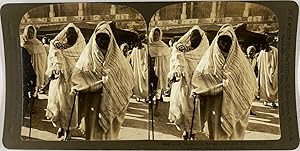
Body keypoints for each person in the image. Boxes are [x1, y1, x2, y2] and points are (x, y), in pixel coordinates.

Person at [191, 24, 257, 140]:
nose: (225, 44)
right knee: (215, 136)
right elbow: (198, 79)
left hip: (235, 107)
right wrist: (200, 90)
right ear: (217, 41)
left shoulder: (241, 63)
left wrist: (230, 86)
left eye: (228, 41)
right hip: (214, 107)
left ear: (233, 42)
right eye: (222, 41)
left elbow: (250, 85)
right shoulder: (209, 60)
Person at [71, 21, 134, 140]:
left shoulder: (119, 61)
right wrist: (84, 87)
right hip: (93, 102)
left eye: (105, 38)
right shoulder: (87, 59)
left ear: (111, 40)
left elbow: (128, 80)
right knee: (93, 134)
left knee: (108, 136)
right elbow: (77, 77)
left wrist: (109, 84)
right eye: (99, 38)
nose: (102, 42)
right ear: (94, 39)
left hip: (112, 103)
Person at [44, 23, 86, 139]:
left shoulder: (80, 49)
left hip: (72, 82)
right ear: (65, 35)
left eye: (72, 35)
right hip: (60, 81)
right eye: (68, 35)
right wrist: (55, 67)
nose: (70, 37)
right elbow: (52, 48)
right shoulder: (59, 46)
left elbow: (83, 66)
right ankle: (61, 127)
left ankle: (68, 130)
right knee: (59, 105)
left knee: (69, 106)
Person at [167, 25, 209, 140]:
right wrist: (178, 70)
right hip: (184, 85)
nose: (194, 39)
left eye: (197, 37)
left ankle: (192, 134)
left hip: (198, 86)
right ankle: (185, 133)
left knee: (195, 111)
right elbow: (175, 53)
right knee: (185, 110)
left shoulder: (205, 53)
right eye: (192, 36)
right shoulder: (182, 49)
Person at [148, 27, 171, 117]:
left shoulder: (164, 47)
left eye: (158, 35)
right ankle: (150, 105)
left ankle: (156, 108)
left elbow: (168, 59)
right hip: (150, 69)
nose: (156, 36)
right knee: (150, 89)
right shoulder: (148, 46)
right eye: (154, 34)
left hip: (160, 70)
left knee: (158, 90)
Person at [20, 25, 47, 97]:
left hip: (38, 64)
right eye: (29, 32)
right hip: (28, 65)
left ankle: (36, 91)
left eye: (32, 32)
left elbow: (44, 56)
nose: (30, 34)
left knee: (37, 77)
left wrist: (41, 64)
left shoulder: (39, 43)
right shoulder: (24, 44)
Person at [257, 37, 278, 107]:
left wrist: (273, 72)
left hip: (273, 72)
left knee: (274, 86)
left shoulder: (275, 51)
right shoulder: (262, 52)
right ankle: (265, 100)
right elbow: (259, 61)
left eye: (265, 47)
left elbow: (278, 62)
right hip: (264, 72)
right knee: (264, 86)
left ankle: (273, 101)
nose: (264, 49)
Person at [131, 34, 148, 101]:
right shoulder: (137, 49)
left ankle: (142, 96)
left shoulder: (141, 48)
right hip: (139, 67)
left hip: (140, 67)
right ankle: (141, 96)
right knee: (140, 82)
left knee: (142, 81)